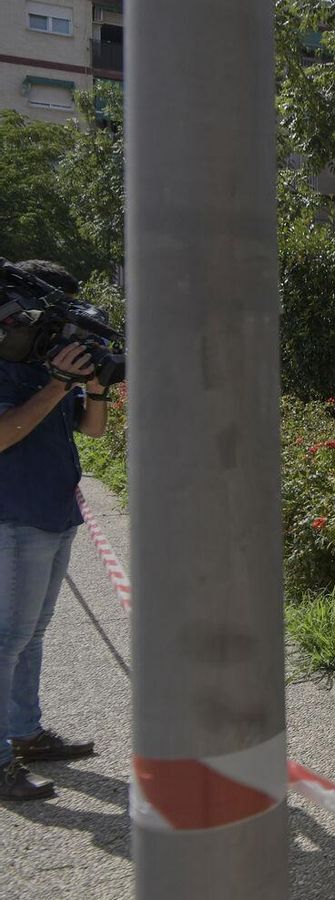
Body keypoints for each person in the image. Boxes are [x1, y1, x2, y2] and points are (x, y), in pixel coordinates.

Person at [0, 260, 104, 801]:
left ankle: (25, 732)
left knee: (30, 634)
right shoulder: (7, 364)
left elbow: (91, 428)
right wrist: (59, 383)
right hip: (14, 516)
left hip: (54, 514)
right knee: (6, 640)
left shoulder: (45, 364)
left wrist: (95, 386)